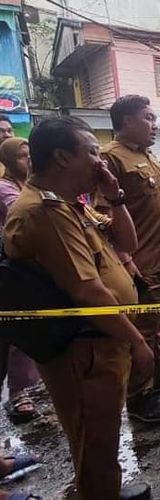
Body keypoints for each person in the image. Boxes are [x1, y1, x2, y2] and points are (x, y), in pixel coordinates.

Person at [4, 116, 153, 499]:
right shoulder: (44, 211)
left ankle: (101, 488)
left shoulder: (73, 204)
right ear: (61, 158)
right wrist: (138, 343)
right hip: (82, 348)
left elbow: (127, 243)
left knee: (100, 440)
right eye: (91, 152)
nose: (100, 160)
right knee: (94, 444)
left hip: (101, 341)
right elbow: (88, 292)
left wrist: (115, 195)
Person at [96, 95, 160, 423]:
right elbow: (101, 215)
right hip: (139, 264)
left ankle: (158, 376)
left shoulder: (146, 156)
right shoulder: (110, 159)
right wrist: (123, 257)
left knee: (155, 328)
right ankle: (139, 397)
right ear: (126, 122)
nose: (155, 124)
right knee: (143, 333)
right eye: (148, 118)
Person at [0, 138, 42, 423]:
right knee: (17, 333)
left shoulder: (33, 187)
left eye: (31, 155)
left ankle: (32, 382)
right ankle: (18, 393)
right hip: (12, 267)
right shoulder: (6, 189)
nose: (28, 161)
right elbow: (27, 215)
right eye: (22, 156)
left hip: (35, 264)